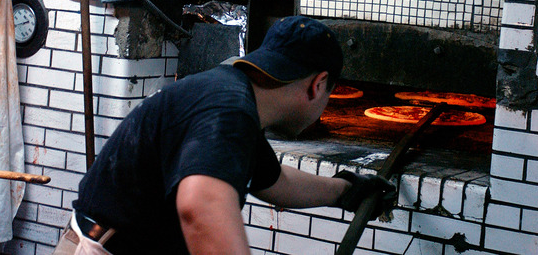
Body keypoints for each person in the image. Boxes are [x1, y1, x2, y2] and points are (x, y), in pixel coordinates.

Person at [52, 15, 396, 255]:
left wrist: (346, 191)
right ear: (318, 85)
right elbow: (199, 205)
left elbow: (274, 182)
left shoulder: (231, 99)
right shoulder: (230, 110)